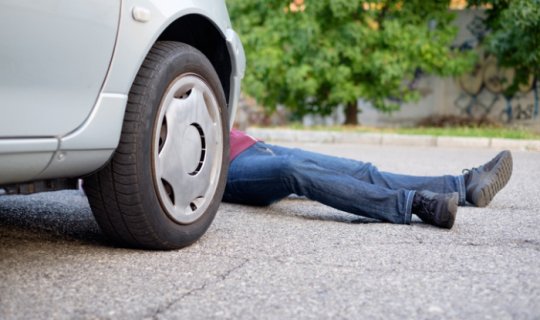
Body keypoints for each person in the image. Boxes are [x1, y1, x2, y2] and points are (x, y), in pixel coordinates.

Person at [223, 129, 513, 229]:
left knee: (362, 170)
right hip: (225, 169)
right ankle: (415, 205)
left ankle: (465, 187)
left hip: (251, 144)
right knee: (292, 170)